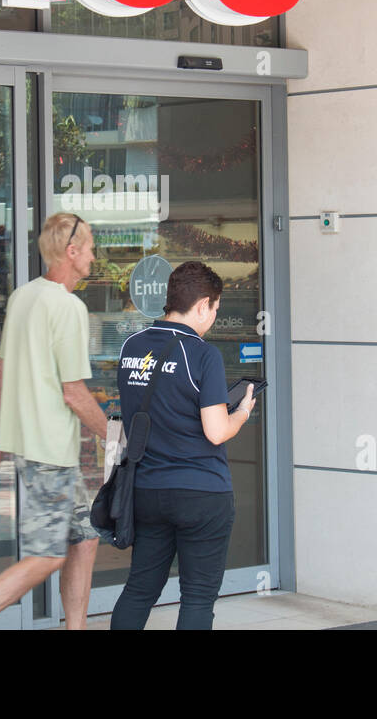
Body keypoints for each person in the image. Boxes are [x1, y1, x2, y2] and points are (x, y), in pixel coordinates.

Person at [0, 213, 107, 629]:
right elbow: (74, 392)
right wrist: (115, 435)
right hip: (49, 450)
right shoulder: (69, 307)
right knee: (47, 554)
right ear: (71, 253)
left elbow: (2, 372)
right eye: (89, 248)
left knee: (84, 539)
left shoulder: (23, 296)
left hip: (35, 447)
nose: (93, 256)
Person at [110, 261, 258, 630]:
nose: (214, 317)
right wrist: (241, 411)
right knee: (197, 598)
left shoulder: (132, 346)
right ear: (203, 304)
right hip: (201, 493)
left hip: (147, 490)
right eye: (216, 309)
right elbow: (216, 431)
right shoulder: (202, 353)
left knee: (140, 590)